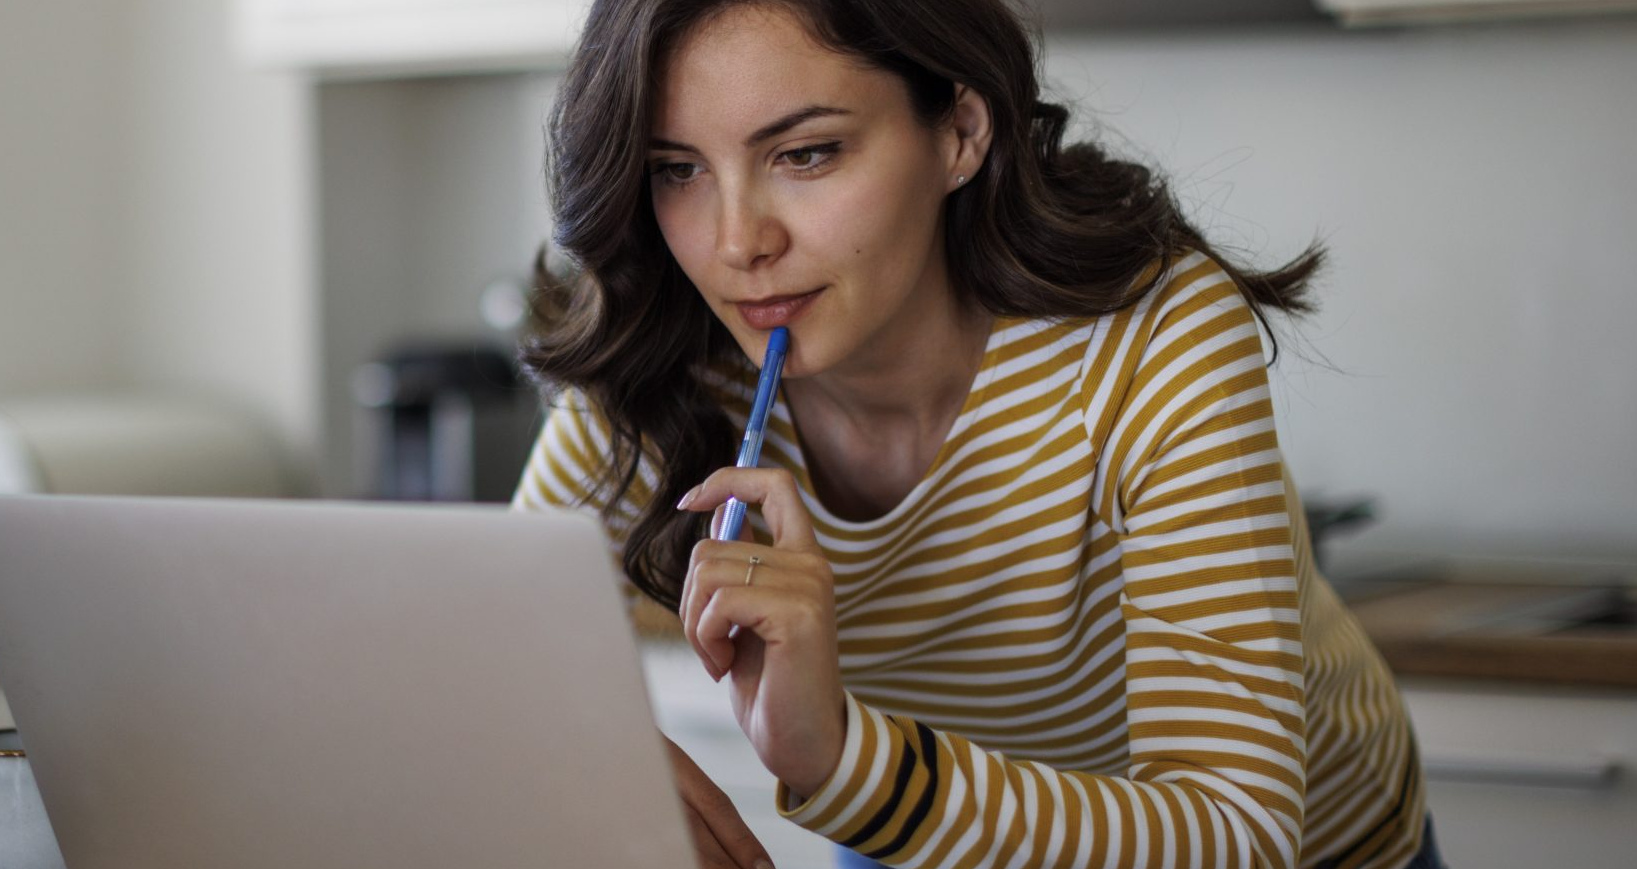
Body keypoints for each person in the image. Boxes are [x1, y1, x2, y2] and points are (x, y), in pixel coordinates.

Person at [508, 1, 1443, 867]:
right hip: (924, 820)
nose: (737, 244)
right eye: (679, 170)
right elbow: (488, 662)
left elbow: (1237, 828)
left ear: (959, 130)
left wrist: (840, 762)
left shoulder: (1154, 332)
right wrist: (599, 766)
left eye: (806, 154)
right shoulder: (661, 362)